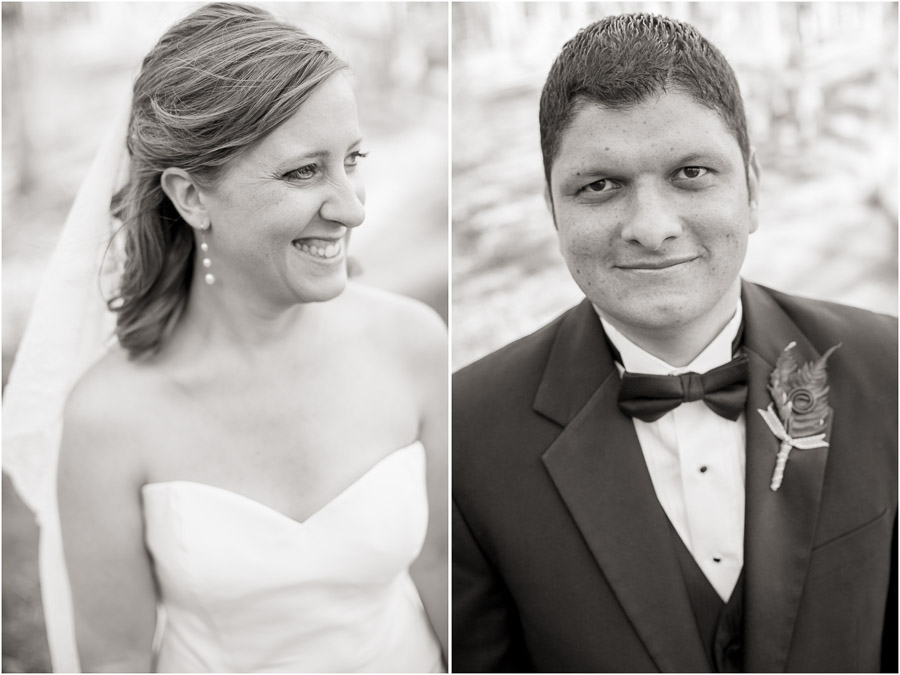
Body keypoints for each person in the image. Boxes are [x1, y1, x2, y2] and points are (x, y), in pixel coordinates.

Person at [452, 13, 896, 673]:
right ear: (553, 209)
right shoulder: (469, 434)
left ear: (752, 187)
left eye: (691, 173)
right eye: (600, 185)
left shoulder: (886, 369)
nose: (652, 228)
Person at [39, 3, 447, 672]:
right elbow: (113, 660)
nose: (352, 206)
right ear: (192, 197)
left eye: (353, 159)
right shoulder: (107, 417)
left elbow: (439, 569)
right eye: (304, 172)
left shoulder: (413, 344)